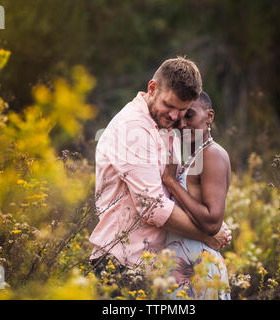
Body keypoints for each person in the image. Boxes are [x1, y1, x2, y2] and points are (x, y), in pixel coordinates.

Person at [89, 57, 231, 283]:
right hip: (120, 265)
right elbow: (152, 206)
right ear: (152, 88)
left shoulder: (164, 127)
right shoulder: (133, 128)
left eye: (183, 111)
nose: (175, 117)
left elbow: (170, 192)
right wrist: (208, 235)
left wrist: (209, 220)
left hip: (150, 267)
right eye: (169, 106)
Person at [162, 91, 232, 300]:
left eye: (189, 115)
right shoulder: (194, 157)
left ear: (209, 116)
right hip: (183, 268)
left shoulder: (213, 155)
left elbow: (212, 222)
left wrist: (172, 183)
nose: (182, 124)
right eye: (179, 118)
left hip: (200, 270)